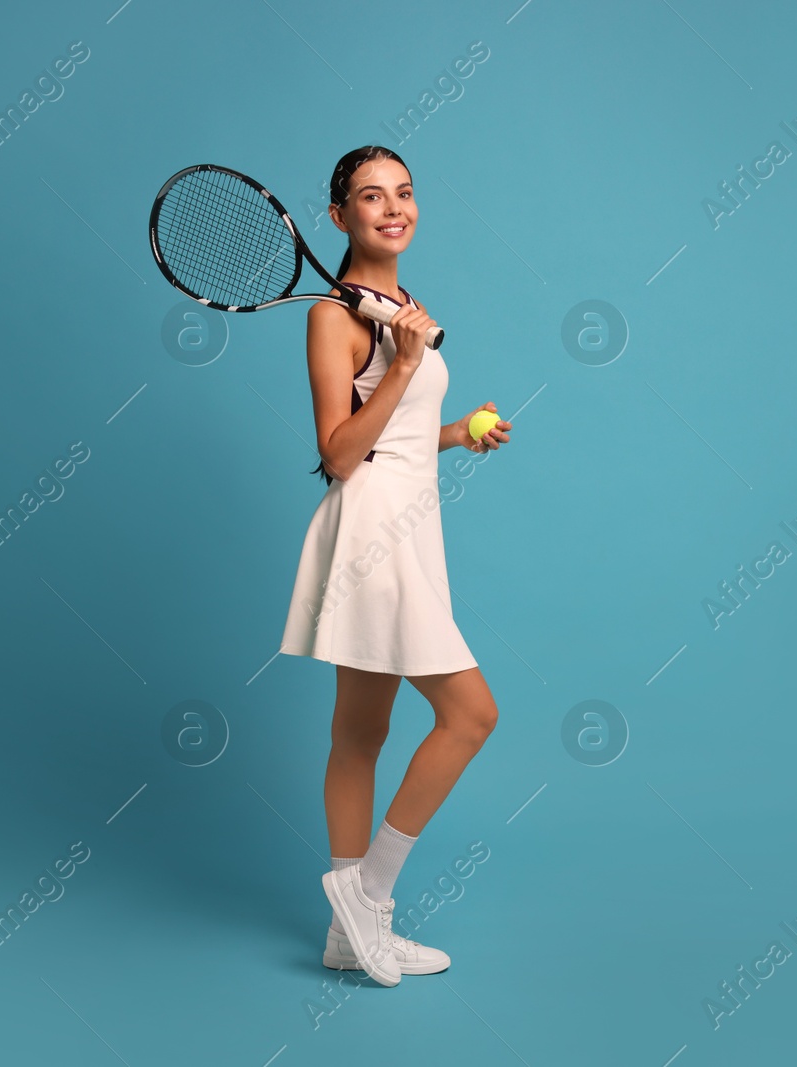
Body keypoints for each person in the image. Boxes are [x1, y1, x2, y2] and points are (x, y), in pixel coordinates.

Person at [278, 145, 511, 987]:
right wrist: (406, 362)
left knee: (362, 731)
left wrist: (458, 431)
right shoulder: (333, 315)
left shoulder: (400, 303)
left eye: (405, 192)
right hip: (372, 529)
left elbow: (400, 438)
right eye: (371, 196)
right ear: (338, 217)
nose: (393, 207)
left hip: (414, 523)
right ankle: (367, 895)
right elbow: (340, 453)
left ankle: (348, 935)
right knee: (471, 715)